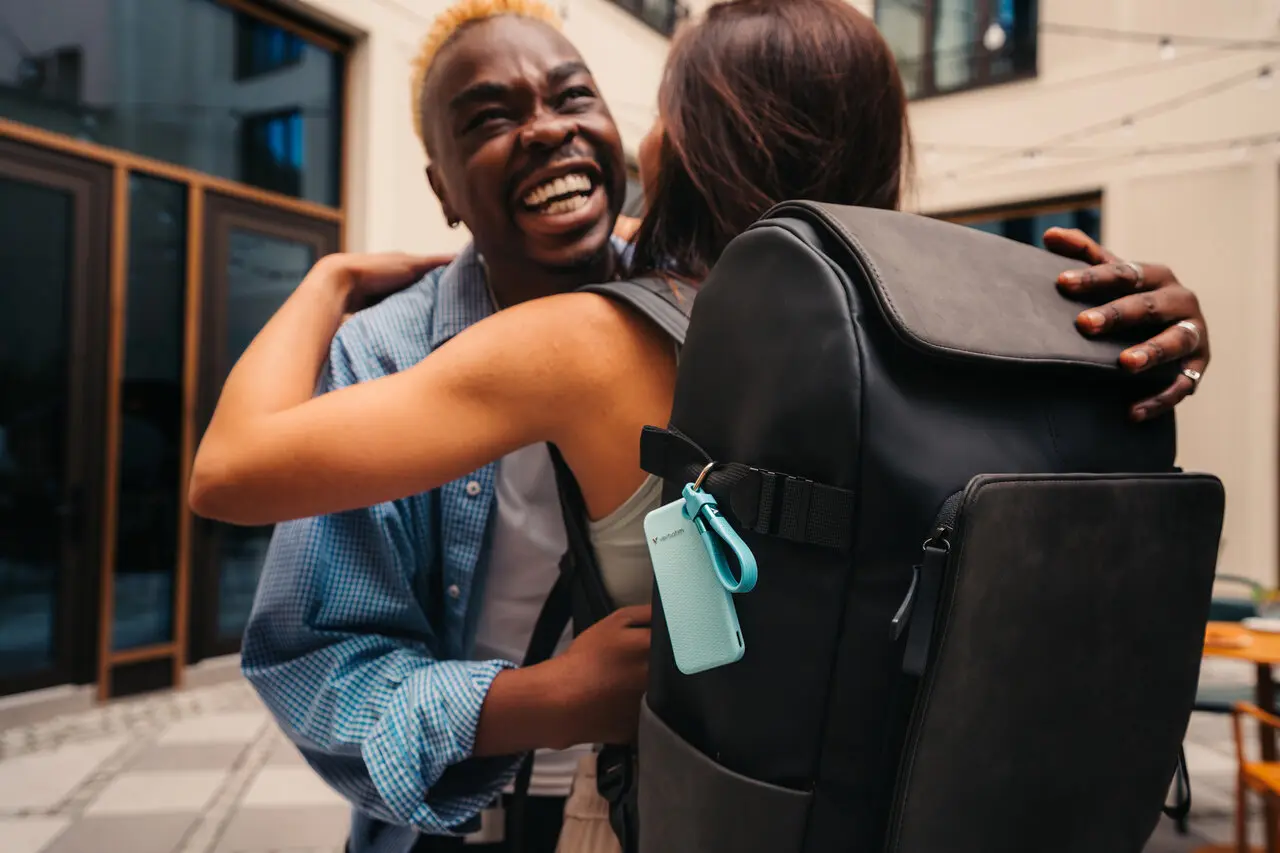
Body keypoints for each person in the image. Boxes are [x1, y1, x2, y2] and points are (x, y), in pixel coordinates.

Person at [191, 1, 1212, 851]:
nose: (555, 129)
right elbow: (318, 654)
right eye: (489, 117)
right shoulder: (952, 321)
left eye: (595, 98)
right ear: (440, 187)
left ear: (687, 140)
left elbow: (228, 470)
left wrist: (320, 276)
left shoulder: (602, 334)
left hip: (707, 803)